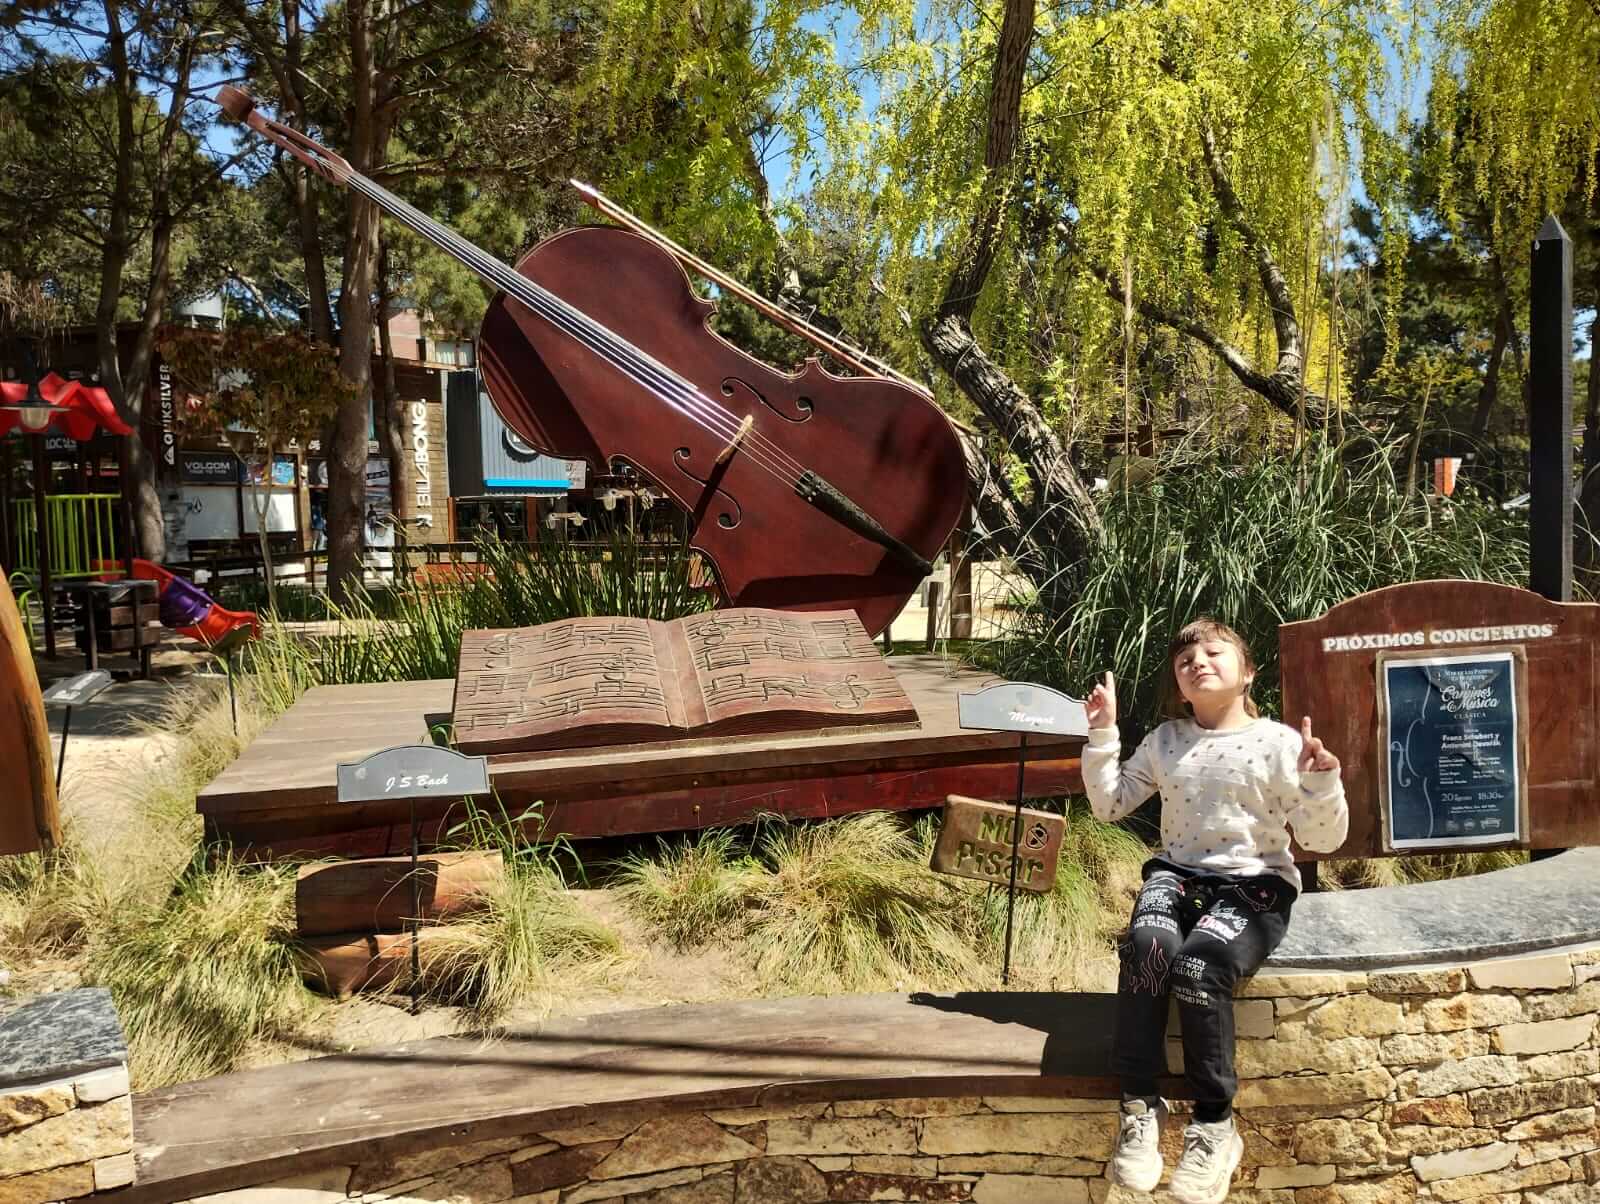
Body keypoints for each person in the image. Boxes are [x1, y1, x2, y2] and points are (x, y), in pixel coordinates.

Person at [1082, 618, 1347, 1204]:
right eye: (1185, 659)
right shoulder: (1166, 740)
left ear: (1248, 672)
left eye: (1213, 651)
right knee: (1147, 948)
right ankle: (1139, 1105)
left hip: (1255, 886)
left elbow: (1321, 840)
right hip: (1177, 876)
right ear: (1179, 687)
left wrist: (1321, 783)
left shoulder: (1279, 743)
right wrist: (1103, 734)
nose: (1197, 661)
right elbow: (1109, 805)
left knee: (1199, 967)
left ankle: (1214, 1125)